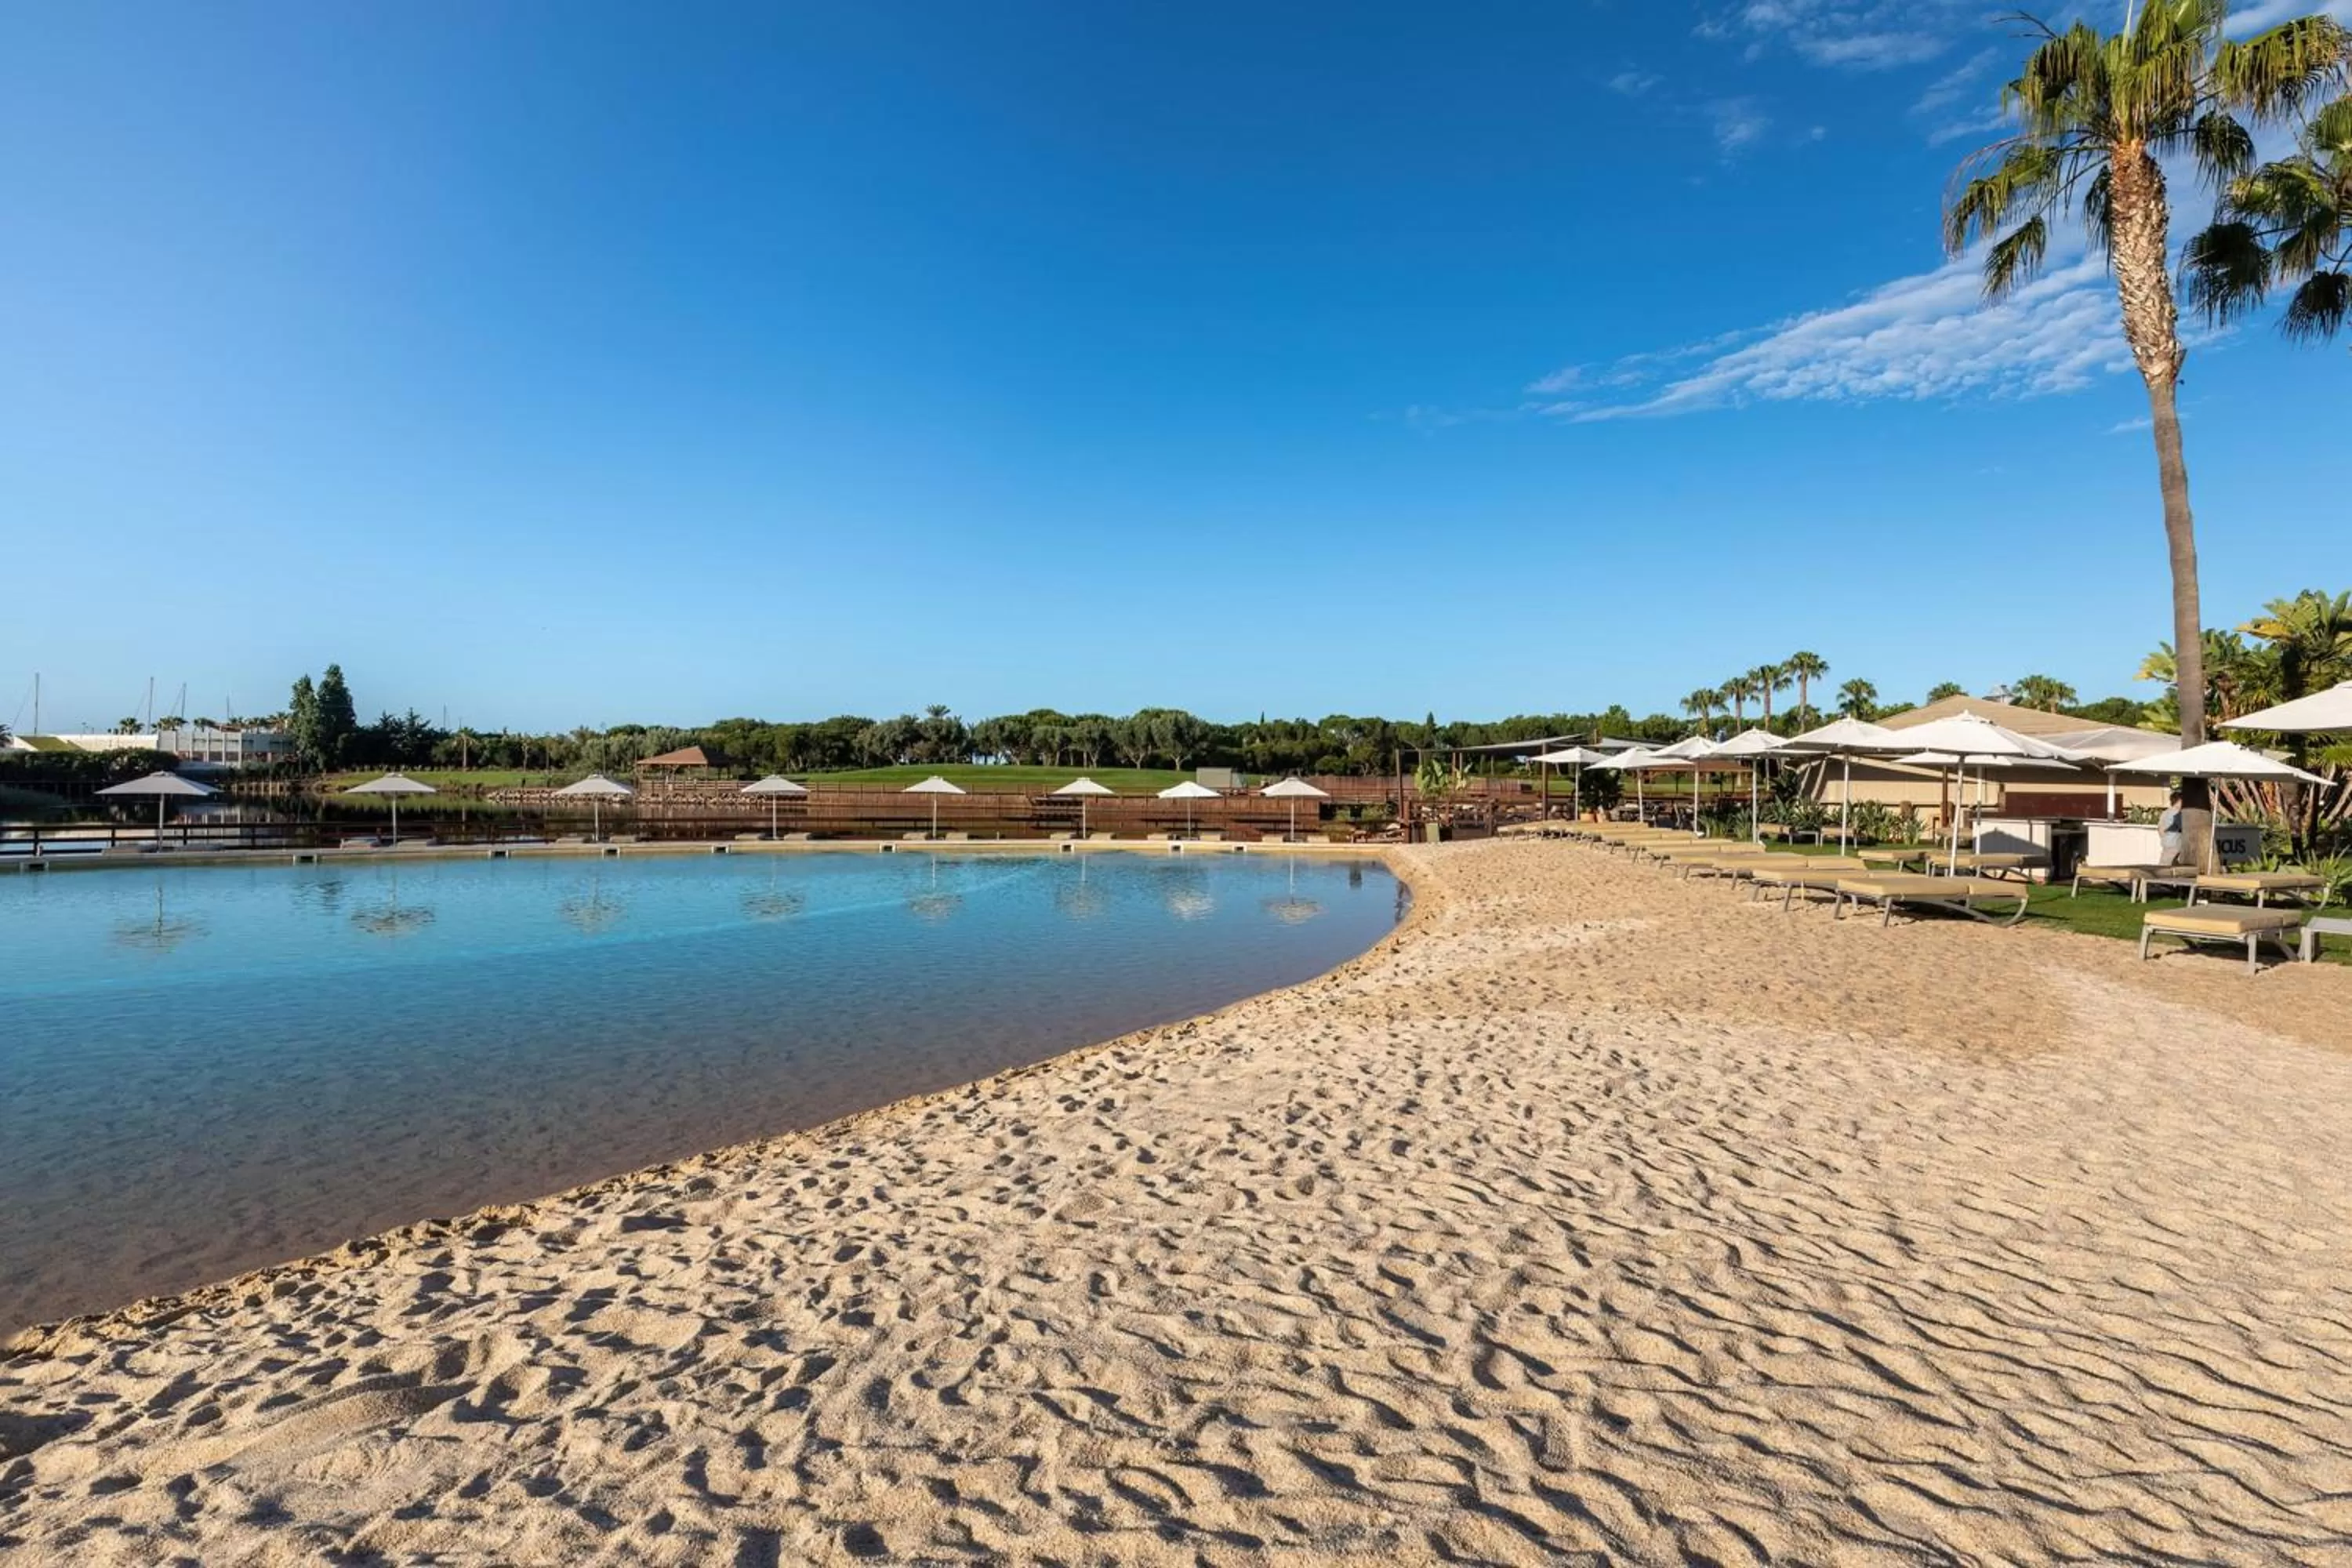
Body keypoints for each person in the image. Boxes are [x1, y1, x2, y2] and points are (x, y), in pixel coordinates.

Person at [2158, 789, 2186, 865]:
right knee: (2167, 869)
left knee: (2164, 866)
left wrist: (2165, 837)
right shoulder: (2178, 814)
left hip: (2166, 844)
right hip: (2175, 845)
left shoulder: (2165, 813)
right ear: (2180, 800)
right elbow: (2183, 828)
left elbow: (2160, 830)